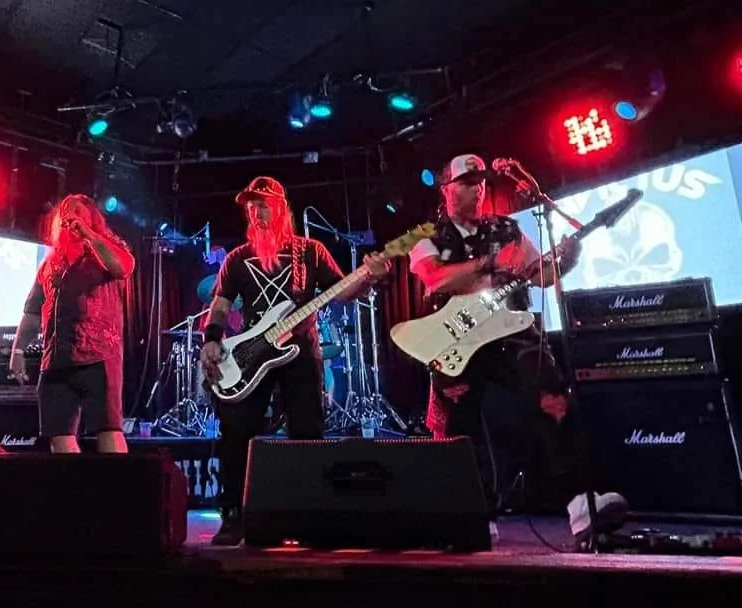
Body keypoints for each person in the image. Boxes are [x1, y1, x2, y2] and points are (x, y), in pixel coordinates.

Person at [407, 153, 627, 540]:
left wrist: (566, 259)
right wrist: (486, 265)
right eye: (467, 183)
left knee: (553, 398)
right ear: (446, 189)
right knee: (461, 427)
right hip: (459, 340)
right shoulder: (427, 238)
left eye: (481, 183)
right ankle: (473, 512)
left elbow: (540, 275)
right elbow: (436, 281)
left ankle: (580, 502)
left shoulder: (507, 229)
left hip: (513, 332)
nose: (477, 190)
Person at [200, 176, 393, 546]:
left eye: (263, 204)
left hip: (301, 351)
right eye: (250, 206)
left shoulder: (311, 251)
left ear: (282, 208)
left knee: (307, 433)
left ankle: (309, 516)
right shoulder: (238, 258)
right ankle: (233, 516)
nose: (256, 212)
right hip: (251, 356)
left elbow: (343, 291)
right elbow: (221, 304)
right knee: (237, 431)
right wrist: (211, 339)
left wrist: (369, 277)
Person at [9, 194, 135, 454]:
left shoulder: (105, 249)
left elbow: (123, 267)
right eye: (66, 211)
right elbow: (32, 311)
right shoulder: (49, 263)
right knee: (59, 434)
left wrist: (89, 234)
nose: (71, 215)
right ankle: (74, 491)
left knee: (108, 430)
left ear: (91, 218)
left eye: (79, 211)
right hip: (56, 359)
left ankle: (120, 493)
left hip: (99, 355)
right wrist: (18, 350)